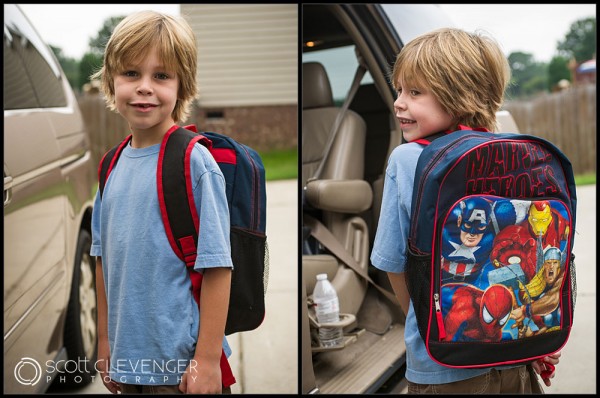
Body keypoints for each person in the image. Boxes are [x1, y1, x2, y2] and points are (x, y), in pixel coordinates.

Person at [370, 27, 560, 394]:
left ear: (458, 94)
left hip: (444, 364)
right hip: (516, 351)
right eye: (398, 90)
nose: (398, 102)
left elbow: (393, 263)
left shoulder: (409, 159)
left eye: (414, 91)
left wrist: (431, 325)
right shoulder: (517, 155)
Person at [90, 10, 234, 394]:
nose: (144, 87)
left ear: (181, 85)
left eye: (161, 76)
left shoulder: (194, 162)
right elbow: (103, 263)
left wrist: (205, 361)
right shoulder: (110, 166)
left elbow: (218, 267)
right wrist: (106, 343)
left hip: (179, 369)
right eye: (131, 73)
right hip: (128, 361)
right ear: (110, 81)